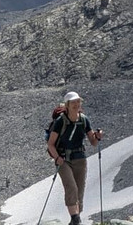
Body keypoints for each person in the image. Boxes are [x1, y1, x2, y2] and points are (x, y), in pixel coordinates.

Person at [46, 91, 104, 225]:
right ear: (67, 105)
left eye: (78, 102)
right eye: (73, 102)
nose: (77, 104)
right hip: (63, 159)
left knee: (79, 191)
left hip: (80, 158)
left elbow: (93, 142)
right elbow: (50, 144)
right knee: (71, 188)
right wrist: (57, 158)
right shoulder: (61, 121)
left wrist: (97, 136)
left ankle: (74, 221)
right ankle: (76, 220)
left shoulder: (84, 119)